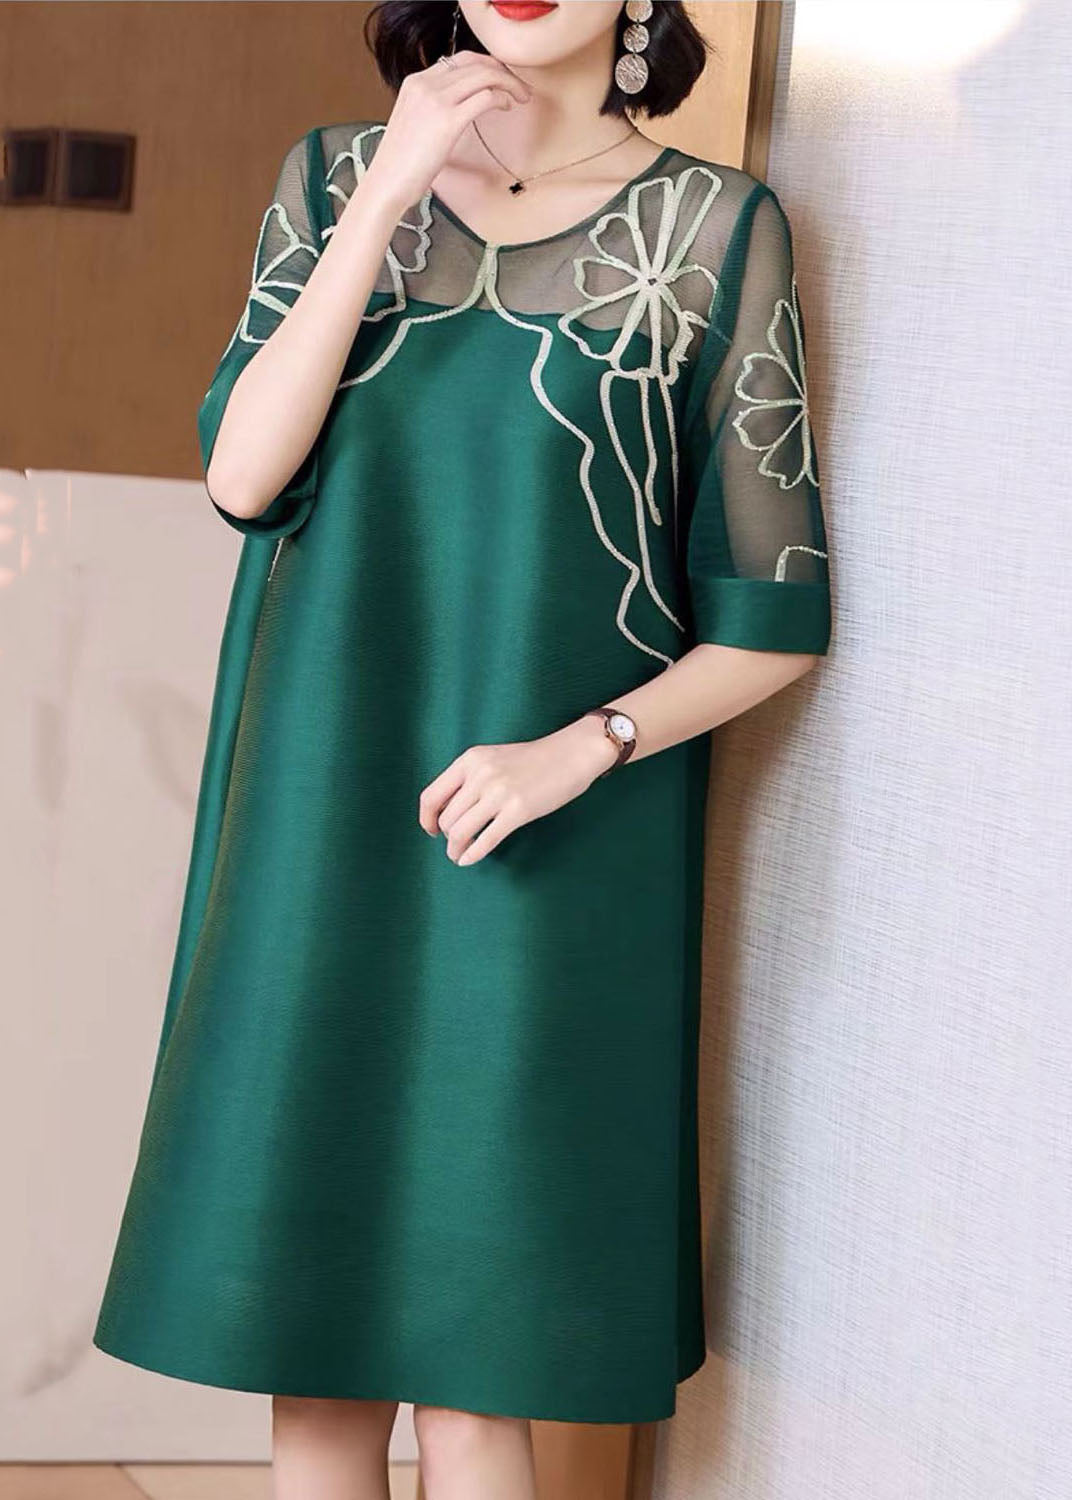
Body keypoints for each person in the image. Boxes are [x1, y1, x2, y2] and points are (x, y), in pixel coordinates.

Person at [92, 3, 832, 1497]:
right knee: (313, 1364)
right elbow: (242, 477)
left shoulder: (712, 230)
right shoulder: (333, 178)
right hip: (318, 815)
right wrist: (388, 186)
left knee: (480, 1379)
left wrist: (585, 748)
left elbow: (777, 614)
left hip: (548, 843)